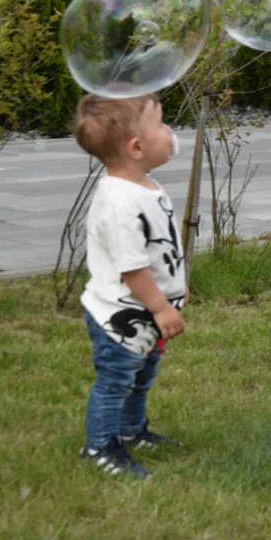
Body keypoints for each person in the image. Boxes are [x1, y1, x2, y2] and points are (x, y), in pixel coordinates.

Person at [73, 94, 187, 479]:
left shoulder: (143, 184)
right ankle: (100, 446)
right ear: (136, 147)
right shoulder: (119, 202)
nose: (169, 131)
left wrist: (174, 292)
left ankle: (130, 430)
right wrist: (160, 306)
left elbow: (159, 250)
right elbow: (133, 268)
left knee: (141, 375)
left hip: (147, 312)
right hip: (121, 315)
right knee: (116, 380)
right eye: (160, 125)